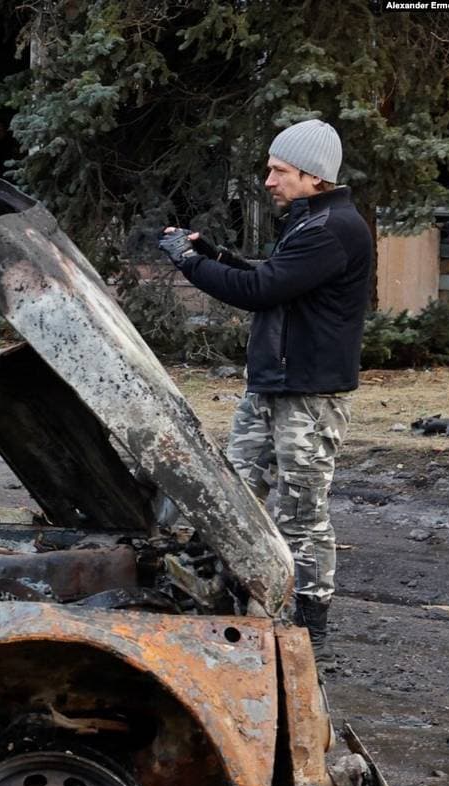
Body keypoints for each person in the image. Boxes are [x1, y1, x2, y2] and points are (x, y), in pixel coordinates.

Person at [161, 118, 370, 657]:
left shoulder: (334, 228)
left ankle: (310, 631)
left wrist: (190, 264)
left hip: (309, 397)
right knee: (237, 495)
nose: (268, 180)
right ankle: (236, 601)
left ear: (312, 175)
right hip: (272, 388)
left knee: (301, 514)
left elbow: (262, 290)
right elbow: (277, 279)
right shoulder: (310, 222)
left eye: (279, 170)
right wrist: (212, 253)